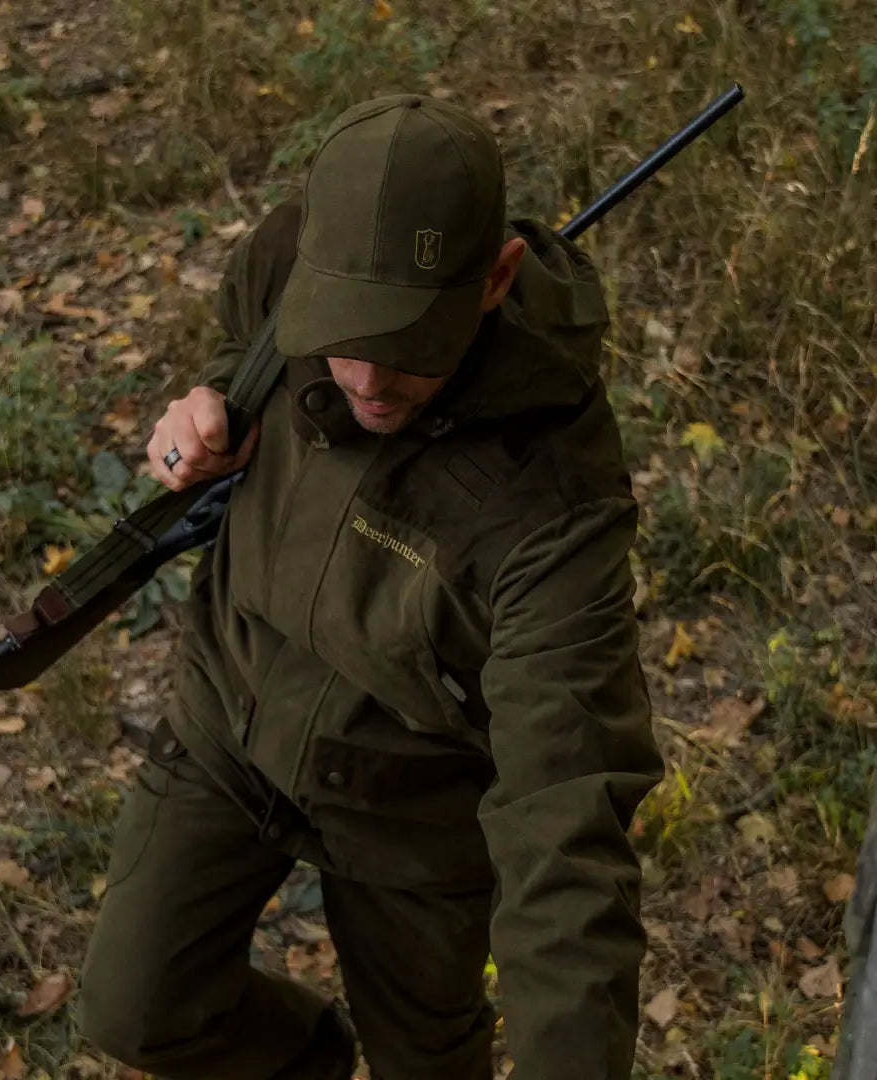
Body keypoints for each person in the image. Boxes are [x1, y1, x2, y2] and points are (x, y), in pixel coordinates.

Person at [77, 94, 663, 1080]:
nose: (372, 383)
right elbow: (243, 346)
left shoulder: (558, 505)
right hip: (233, 713)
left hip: (412, 817)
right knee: (136, 1010)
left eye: (410, 347)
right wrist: (221, 400)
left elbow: (565, 822)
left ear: (498, 279)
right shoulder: (284, 263)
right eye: (346, 337)